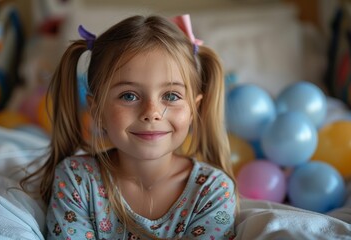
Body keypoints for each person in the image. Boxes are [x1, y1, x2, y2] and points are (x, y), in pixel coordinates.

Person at [22, 14, 238, 239]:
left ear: (194, 109)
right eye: (129, 95)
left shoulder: (212, 190)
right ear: (97, 110)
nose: (151, 113)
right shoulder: (77, 180)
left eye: (171, 96)